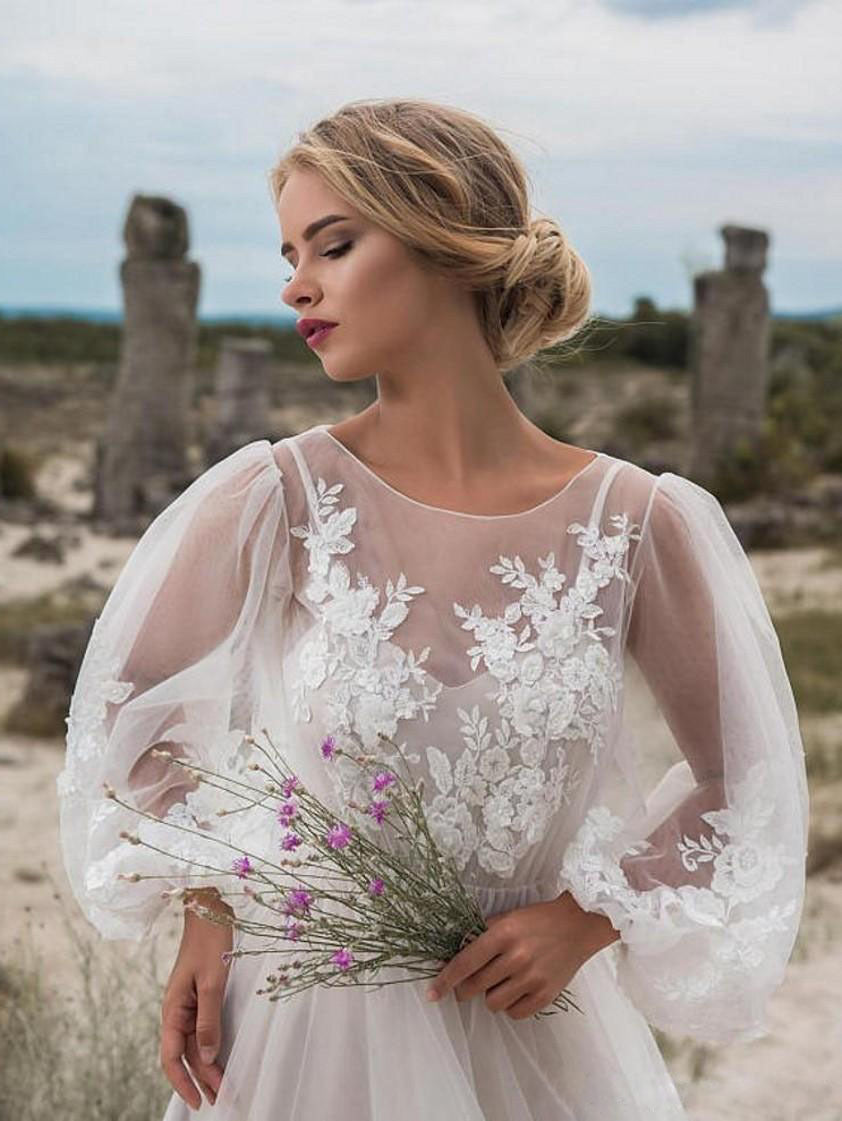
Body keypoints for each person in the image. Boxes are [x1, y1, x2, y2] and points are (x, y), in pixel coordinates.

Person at [57, 97, 809, 1120]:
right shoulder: (276, 495)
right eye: (289, 252)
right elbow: (124, 714)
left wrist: (589, 915)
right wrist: (208, 898)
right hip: (300, 1031)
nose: (295, 285)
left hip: (535, 1037)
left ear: (442, 235)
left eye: (333, 243)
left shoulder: (636, 520)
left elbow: (742, 777)